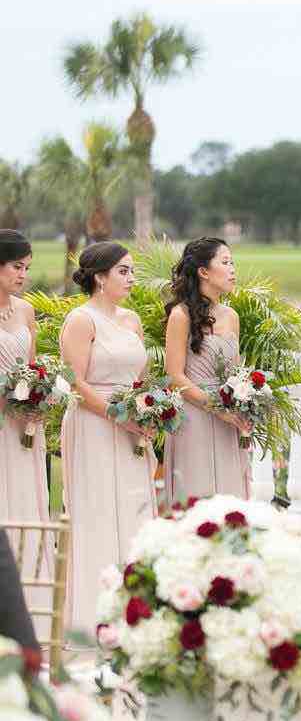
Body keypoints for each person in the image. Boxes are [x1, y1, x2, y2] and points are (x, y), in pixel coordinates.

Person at [59, 242, 156, 637]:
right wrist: (119, 416)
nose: (131, 279)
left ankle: (137, 616)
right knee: (99, 513)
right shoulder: (81, 321)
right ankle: (94, 620)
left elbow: (139, 377)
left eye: (132, 271)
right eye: (124, 271)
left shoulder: (132, 320)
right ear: (100, 277)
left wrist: (149, 410)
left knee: (134, 511)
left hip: (132, 427)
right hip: (94, 425)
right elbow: (74, 382)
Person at [163, 237, 251, 502]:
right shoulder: (181, 315)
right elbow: (174, 376)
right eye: (225, 262)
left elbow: (235, 373)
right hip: (194, 416)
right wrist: (216, 407)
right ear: (203, 271)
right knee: (196, 494)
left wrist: (244, 403)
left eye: (233, 262)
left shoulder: (231, 316)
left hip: (229, 420)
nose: (233, 269)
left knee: (230, 496)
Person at [0, 230, 51, 578]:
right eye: (17, 266)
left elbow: (32, 368)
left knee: (25, 498)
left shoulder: (26, 309)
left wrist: (37, 395)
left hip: (23, 423)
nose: (24, 275)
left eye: (27, 267)